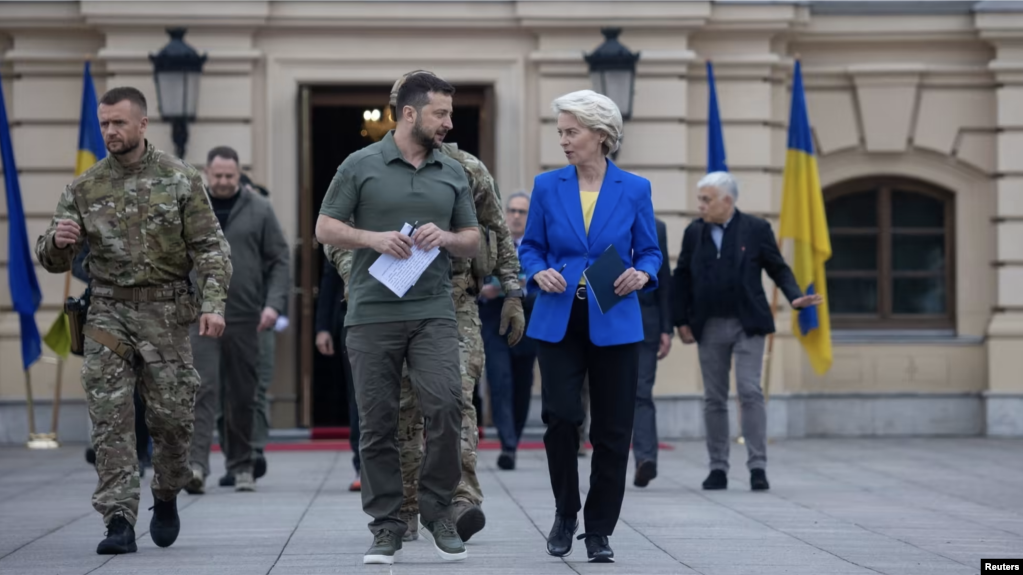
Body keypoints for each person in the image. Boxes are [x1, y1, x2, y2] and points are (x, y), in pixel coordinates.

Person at [327, 73, 523, 545]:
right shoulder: (365, 167)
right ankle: (406, 510)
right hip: (385, 302)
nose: (448, 123)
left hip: (451, 303)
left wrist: (513, 291)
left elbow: (496, 230)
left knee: (452, 399)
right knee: (397, 413)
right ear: (405, 111)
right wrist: (363, 268)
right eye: (440, 113)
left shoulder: (466, 168)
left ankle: (460, 500)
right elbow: (334, 235)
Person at [35, 86, 231, 555]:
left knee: (173, 419)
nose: (109, 131)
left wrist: (213, 304)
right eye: (104, 123)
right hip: (108, 311)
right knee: (110, 417)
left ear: (142, 125)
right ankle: (118, 518)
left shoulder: (180, 179)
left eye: (118, 123)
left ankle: (165, 494)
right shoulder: (84, 187)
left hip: (165, 315)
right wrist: (58, 242)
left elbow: (210, 249)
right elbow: (52, 259)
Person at [519, 89, 662, 563]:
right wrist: (536, 270)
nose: (563, 140)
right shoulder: (546, 186)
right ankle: (565, 512)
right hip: (559, 317)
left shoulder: (635, 188)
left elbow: (650, 251)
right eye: (560, 132)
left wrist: (643, 273)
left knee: (614, 428)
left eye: (571, 132)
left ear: (601, 136)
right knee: (560, 417)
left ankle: (599, 529)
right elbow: (530, 248)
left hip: (614, 317)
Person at [672, 171, 822, 492]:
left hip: (747, 324)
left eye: (706, 200)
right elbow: (681, 276)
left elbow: (777, 267)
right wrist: (679, 321)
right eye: (700, 199)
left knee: (749, 390)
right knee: (713, 397)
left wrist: (794, 297)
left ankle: (757, 466)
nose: (700, 206)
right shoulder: (693, 232)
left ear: (727, 201)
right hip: (708, 325)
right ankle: (717, 468)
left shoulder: (756, 229)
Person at [185, 146, 290, 494]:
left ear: (239, 173)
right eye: (218, 176)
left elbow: (279, 260)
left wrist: (274, 305)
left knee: (243, 394)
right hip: (200, 316)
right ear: (206, 173)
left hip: (246, 316)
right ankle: (196, 466)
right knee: (202, 390)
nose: (224, 182)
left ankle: (242, 465)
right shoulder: (191, 208)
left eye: (230, 176)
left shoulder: (260, 209)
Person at [76, 242, 152, 477]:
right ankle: (109, 455)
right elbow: (75, 262)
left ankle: (139, 452)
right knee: (105, 390)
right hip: (104, 316)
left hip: (147, 315)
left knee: (140, 393)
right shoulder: (93, 210)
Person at [479, 191, 537, 471]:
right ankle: (508, 445)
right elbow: (475, 274)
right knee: (500, 382)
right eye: (512, 210)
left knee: (523, 384)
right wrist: (483, 289)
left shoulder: (538, 245)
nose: (515, 216)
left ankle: (514, 435)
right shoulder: (492, 241)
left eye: (522, 212)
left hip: (527, 320)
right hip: (494, 319)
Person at [632, 217, 673, 487]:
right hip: (608, 319)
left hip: (646, 322)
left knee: (641, 392)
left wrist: (666, 328)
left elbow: (665, 277)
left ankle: (645, 460)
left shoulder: (656, 227)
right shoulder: (599, 220)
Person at [315, 255, 362, 492]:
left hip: (398, 316)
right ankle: (362, 466)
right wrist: (322, 327)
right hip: (353, 318)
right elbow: (330, 280)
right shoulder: (346, 226)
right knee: (359, 396)